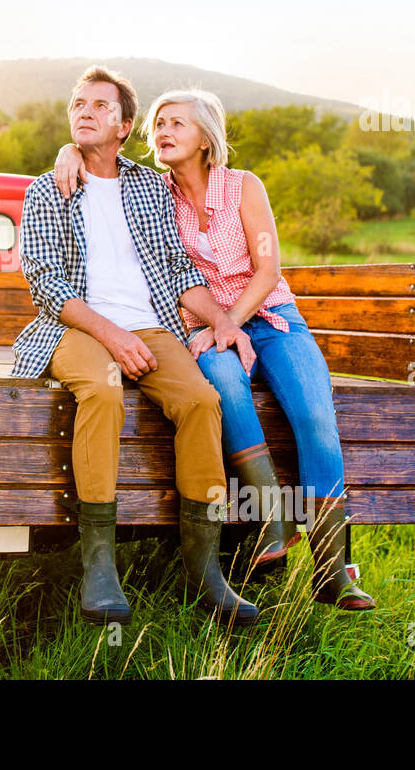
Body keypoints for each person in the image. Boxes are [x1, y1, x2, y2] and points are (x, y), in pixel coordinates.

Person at [53, 88, 375, 611]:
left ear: (206, 138)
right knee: (222, 388)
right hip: (202, 326)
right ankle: (272, 518)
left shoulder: (245, 187)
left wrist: (232, 324)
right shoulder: (152, 193)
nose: (163, 132)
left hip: (270, 317)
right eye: (158, 123)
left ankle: (332, 571)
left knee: (316, 419)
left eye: (177, 123)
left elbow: (268, 268)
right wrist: (69, 152)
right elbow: (98, 163)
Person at [12, 65, 260, 627]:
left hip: (150, 329)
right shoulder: (46, 189)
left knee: (201, 402)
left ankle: (204, 569)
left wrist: (223, 321)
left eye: (100, 106)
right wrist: (111, 335)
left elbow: (176, 269)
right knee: (103, 392)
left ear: (125, 126)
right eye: (78, 103)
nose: (84, 111)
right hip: (73, 329)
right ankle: (99, 564)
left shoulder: (149, 186)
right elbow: (46, 283)